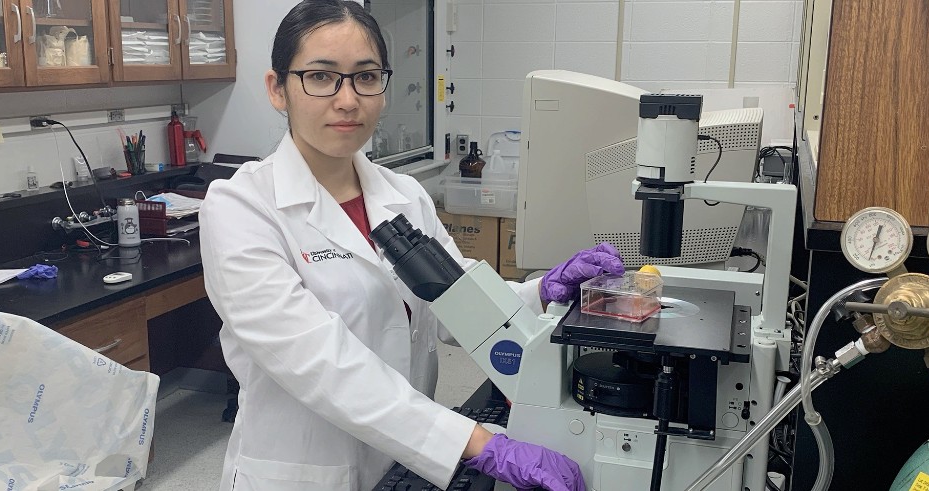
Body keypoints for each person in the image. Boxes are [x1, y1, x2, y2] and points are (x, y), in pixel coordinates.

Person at [200, 1, 624, 490]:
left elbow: (454, 305)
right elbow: (322, 362)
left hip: (401, 465)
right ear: (279, 89)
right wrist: (477, 443)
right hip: (304, 472)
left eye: (365, 76)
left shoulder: (403, 196)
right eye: (321, 77)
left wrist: (541, 292)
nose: (347, 99)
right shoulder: (241, 206)